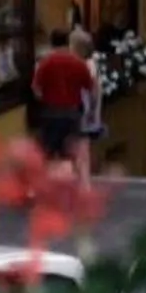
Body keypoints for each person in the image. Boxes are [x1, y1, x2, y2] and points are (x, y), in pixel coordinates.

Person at [31, 28, 97, 164]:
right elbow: (91, 89)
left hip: (51, 112)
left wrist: (43, 101)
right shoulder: (79, 63)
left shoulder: (46, 63)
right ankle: (69, 179)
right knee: (70, 153)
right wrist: (91, 111)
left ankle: (51, 182)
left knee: (48, 153)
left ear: (52, 43)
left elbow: (36, 89)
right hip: (72, 113)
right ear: (68, 42)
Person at [69, 29, 104, 181]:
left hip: (84, 109)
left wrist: (91, 111)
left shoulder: (87, 65)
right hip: (84, 109)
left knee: (81, 146)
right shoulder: (88, 64)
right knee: (81, 146)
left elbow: (93, 88)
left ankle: (83, 180)